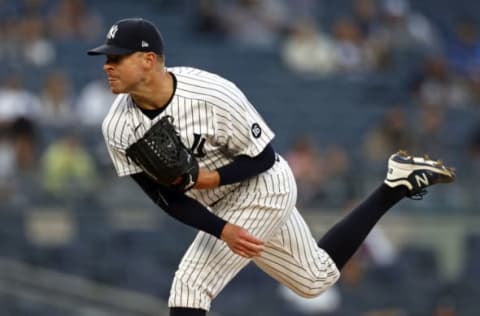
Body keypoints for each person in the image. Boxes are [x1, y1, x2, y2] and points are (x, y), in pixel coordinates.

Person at [87, 18, 455, 316]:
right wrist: (222, 228)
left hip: (265, 187)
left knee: (190, 285)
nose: (107, 65)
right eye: (107, 58)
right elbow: (165, 198)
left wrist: (210, 179)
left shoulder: (212, 94)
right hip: (219, 207)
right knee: (315, 279)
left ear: (148, 61)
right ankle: (394, 185)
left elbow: (263, 158)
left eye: (117, 58)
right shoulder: (118, 127)